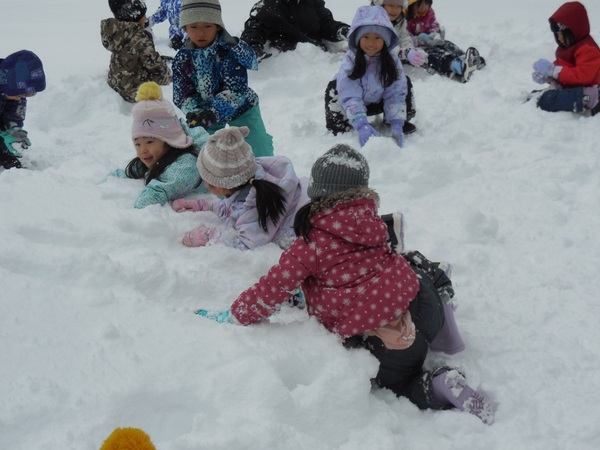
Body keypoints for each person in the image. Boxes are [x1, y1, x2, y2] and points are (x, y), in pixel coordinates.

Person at [195, 144, 494, 424]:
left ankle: (440, 385)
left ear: (316, 191)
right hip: (424, 304)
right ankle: (445, 323)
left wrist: (235, 315)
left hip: (392, 344)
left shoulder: (312, 243)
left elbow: (272, 288)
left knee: (402, 386)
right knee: (410, 262)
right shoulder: (373, 221)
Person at [172, 126, 309, 250]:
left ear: (219, 187)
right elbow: (233, 207)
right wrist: (205, 206)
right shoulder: (250, 178)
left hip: (307, 229)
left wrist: (209, 235)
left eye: (205, 179)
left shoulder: (255, 207)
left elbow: (245, 243)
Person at [173, 0, 274, 157]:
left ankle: (266, 169)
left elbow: (236, 90)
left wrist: (213, 112)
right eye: (194, 27)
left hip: (241, 107)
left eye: (207, 26)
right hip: (204, 113)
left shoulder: (229, 50)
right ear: (185, 28)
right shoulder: (183, 58)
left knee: (258, 146)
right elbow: (183, 93)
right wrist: (195, 112)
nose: (201, 32)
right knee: (201, 152)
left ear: (218, 26)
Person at [105, 82, 206, 209]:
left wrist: (130, 215)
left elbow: (158, 190)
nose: (142, 150)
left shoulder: (187, 165)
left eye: (149, 142)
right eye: (137, 144)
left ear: (169, 140)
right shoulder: (157, 157)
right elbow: (129, 172)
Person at [325, 5, 409, 147]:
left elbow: (396, 92)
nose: (371, 43)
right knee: (333, 87)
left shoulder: (392, 60)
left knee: (405, 82)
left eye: (377, 37)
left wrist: (396, 123)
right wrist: (361, 124)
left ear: (385, 40)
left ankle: (396, 121)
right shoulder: (351, 60)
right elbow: (350, 94)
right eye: (366, 37)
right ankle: (340, 127)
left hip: (380, 102)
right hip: (355, 105)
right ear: (357, 38)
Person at [530, 1, 600, 115]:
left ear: (574, 30)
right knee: (536, 96)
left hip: (592, 95)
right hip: (571, 89)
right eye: (557, 34)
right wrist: (548, 76)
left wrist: (552, 70)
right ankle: (539, 99)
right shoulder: (565, 48)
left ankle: (586, 98)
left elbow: (581, 76)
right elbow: (562, 72)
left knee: (547, 100)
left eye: (562, 34)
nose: (559, 38)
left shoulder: (588, 49)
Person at [371, 0, 427, 133]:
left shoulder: (401, 21)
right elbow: (380, 47)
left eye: (398, 6)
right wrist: (404, 53)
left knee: (402, 82)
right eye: (391, 5)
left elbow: (404, 39)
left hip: (388, 67)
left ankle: (396, 117)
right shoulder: (372, 20)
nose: (394, 10)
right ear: (380, 4)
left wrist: (410, 50)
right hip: (370, 69)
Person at [101, 0, 172, 103]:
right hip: (135, 90)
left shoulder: (117, 32)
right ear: (135, 16)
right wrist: (166, 72)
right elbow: (153, 64)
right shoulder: (140, 36)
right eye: (143, 15)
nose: (146, 18)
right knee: (163, 75)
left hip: (116, 82)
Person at [240, 0, 350, 62]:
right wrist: (252, 46)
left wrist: (343, 30)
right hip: (290, 72)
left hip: (319, 64)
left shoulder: (313, 3)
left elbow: (327, 24)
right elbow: (254, 28)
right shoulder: (268, 6)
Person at [406, 0, 485, 83]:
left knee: (447, 44)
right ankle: (456, 65)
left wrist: (435, 33)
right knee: (434, 56)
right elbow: (405, 38)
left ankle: (466, 58)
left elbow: (433, 24)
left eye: (427, 7)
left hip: (431, 41)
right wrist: (418, 40)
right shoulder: (406, 18)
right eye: (421, 7)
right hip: (417, 48)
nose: (424, 11)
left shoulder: (428, 13)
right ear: (412, 4)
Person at [0, 50, 46, 170]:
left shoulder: (12, 94)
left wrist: (14, 130)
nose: (19, 98)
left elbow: (13, 115)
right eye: (19, 94)